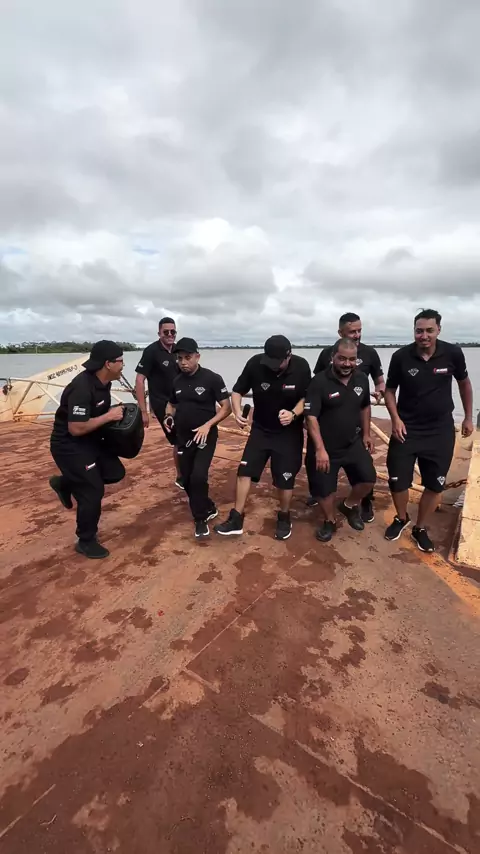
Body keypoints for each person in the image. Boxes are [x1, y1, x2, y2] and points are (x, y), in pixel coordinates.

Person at [384, 309, 473, 553]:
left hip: (440, 431)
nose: (424, 336)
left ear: (438, 330)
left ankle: (420, 527)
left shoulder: (453, 353)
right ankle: (402, 518)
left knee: (435, 485)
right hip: (407, 428)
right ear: (414, 331)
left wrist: (468, 417)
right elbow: (389, 391)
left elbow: (464, 384)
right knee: (397, 481)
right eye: (419, 331)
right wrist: (395, 419)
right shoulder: (401, 357)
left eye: (429, 330)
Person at [214, 335, 311, 540]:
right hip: (261, 429)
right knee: (244, 471)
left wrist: (293, 414)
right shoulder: (256, 363)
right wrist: (237, 412)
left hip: (288, 432)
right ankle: (236, 518)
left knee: (285, 478)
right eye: (270, 361)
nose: (273, 366)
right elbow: (237, 391)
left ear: (288, 356)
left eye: (277, 362)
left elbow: (307, 397)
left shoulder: (301, 367)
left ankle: (284, 516)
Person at [49, 340, 126, 559]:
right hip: (69, 445)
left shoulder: (104, 382)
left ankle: (65, 482)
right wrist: (108, 416)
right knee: (92, 491)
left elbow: (95, 415)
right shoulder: (82, 387)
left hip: (90, 440)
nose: (123, 365)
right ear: (108, 364)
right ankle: (85, 540)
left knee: (115, 472)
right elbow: (76, 428)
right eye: (120, 361)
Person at [310, 312, 385, 522]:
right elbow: (316, 385)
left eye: (360, 330)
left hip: (355, 428)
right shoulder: (324, 360)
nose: (357, 334)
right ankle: (327, 512)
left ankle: (360, 503)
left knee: (365, 475)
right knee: (323, 483)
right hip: (328, 427)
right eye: (352, 331)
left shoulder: (369, 357)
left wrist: (380, 391)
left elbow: (378, 383)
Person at [305, 338, 376, 542]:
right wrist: (320, 449)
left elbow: (365, 406)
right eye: (342, 359)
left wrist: (366, 433)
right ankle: (329, 521)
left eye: (352, 359)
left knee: (368, 479)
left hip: (352, 443)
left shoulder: (361, 379)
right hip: (325, 447)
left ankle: (348, 505)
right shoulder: (319, 382)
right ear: (332, 357)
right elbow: (311, 417)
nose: (347, 364)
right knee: (324, 490)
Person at [165, 337, 231, 538]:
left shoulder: (212, 379)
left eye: (187, 357)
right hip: (183, 437)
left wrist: (207, 425)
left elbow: (226, 408)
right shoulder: (176, 381)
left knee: (198, 476)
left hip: (205, 436)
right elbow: (172, 404)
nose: (183, 362)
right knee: (185, 479)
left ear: (197, 356)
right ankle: (207, 506)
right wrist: (168, 417)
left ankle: (200, 519)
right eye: (179, 358)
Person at [135, 317, 182, 488]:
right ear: (159, 333)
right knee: (177, 440)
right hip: (162, 403)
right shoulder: (151, 351)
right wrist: (144, 411)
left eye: (172, 331)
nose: (170, 334)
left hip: (181, 401)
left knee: (188, 435)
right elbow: (140, 380)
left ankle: (191, 470)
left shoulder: (179, 349)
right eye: (166, 332)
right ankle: (181, 476)